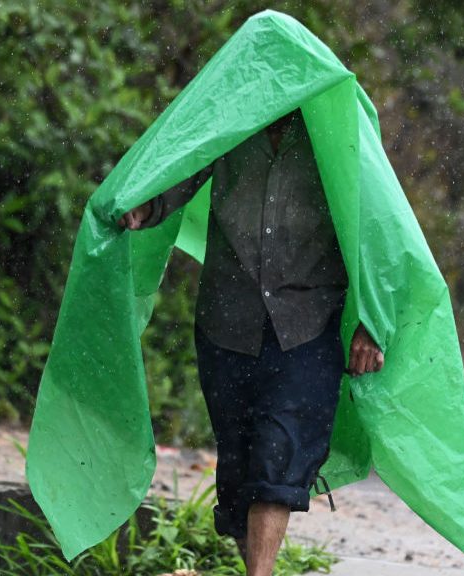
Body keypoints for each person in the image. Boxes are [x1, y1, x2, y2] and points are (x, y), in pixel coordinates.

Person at [117, 109, 384, 576]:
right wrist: (147, 205)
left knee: (277, 454)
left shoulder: (336, 131)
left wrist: (371, 321)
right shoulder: (231, 121)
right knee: (240, 468)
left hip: (307, 325)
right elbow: (186, 165)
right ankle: (253, 566)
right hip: (227, 321)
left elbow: (377, 224)